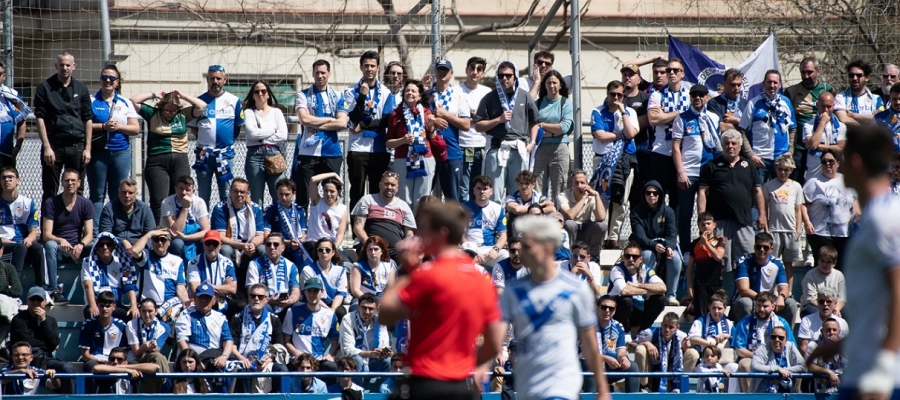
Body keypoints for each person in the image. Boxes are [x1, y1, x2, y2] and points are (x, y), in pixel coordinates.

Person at [801, 124, 899, 400]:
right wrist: (837, 346)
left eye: (842, 158)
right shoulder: (872, 218)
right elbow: (875, 304)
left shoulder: (885, 219)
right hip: (862, 369)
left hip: (880, 379)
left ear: (855, 162)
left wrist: (883, 368)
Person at [380, 200, 504, 400]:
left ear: (442, 233)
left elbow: (385, 314)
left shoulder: (428, 274)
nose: (418, 234)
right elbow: (494, 342)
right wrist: (466, 365)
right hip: (459, 386)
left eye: (425, 228)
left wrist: (405, 271)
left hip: (424, 384)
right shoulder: (481, 279)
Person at [496, 215, 609, 400]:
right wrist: (481, 365)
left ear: (547, 247)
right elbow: (496, 337)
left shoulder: (576, 289)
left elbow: (590, 345)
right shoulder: (513, 291)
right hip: (528, 388)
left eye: (527, 247)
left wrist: (602, 388)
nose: (521, 253)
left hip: (561, 385)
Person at [130, 90, 206, 221]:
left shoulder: (183, 114)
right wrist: (153, 95)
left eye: (173, 111)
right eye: (167, 110)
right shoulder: (153, 113)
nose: (170, 114)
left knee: (181, 195)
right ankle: (159, 228)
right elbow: (133, 101)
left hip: (180, 158)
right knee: (159, 199)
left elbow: (202, 106)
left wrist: (183, 96)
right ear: (161, 107)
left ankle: (178, 227)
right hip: (157, 160)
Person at [697, 129, 765, 273]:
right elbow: (702, 191)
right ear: (722, 146)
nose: (730, 146)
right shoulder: (711, 166)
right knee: (722, 261)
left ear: (740, 146)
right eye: (727, 143)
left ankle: (744, 288)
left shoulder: (749, 166)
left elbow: (757, 191)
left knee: (746, 260)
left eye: (734, 143)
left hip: (743, 220)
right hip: (720, 221)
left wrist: (762, 214)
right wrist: (702, 217)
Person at [338, 51, 397, 212]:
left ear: (378, 68)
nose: (369, 69)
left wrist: (363, 125)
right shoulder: (351, 91)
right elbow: (353, 117)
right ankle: (356, 226)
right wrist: (362, 96)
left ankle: (374, 224)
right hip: (357, 148)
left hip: (379, 148)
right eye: (366, 66)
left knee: (377, 192)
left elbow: (386, 121)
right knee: (357, 192)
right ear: (361, 67)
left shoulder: (386, 92)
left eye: (372, 66)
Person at [475, 60, 540, 202]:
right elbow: (478, 125)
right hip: (497, 149)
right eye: (501, 76)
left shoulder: (524, 95)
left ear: (515, 76)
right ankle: (496, 217)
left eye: (508, 75)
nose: (504, 79)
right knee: (494, 194)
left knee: (519, 193)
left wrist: (532, 142)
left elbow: (534, 121)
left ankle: (515, 217)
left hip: (519, 149)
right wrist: (499, 120)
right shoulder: (490, 97)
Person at [87, 65, 140, 236]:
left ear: (117, 82)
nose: (108, 81)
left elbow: (135, 128)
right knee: (97, 194)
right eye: (105, 77)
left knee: (119, 194)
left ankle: (117, 232)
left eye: (112, 78)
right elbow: (83, 125)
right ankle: (95, 234)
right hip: (98, 153)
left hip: (120, 153)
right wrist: (103, 126)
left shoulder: (125, 102)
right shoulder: (91, 100)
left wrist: (118, 127)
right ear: (100, 80)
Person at [34, 52, 92, 204]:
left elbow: (87, 119)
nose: (64, 68)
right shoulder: (45, 88)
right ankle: (48, 220)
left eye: (68, 65)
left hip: (77, 146)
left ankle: (76, 220)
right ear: (56, 66)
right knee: (50, 190)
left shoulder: (81, 88)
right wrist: (47, 147)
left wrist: (87, 148)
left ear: (74, 66)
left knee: (77, 190)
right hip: (54, 147)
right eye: (61, 65)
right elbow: (40, 118)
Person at [672, 84, 722, 252]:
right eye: (694, 95)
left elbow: (717, 145)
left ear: (707, 97)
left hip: (708, 172)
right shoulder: (682, 118)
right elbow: (676, 148)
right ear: (690, 97)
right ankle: (686, 249)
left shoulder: (713, 117)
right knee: (685, 213)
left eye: (701, 95)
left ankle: (708, 246)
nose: (698, 98)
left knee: (708, 214)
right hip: (689, 172)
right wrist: (681, 173)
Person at [590, 80, 638, 250]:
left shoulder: (630, 112)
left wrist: (623, 113)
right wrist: (619, 135)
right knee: (602, 198)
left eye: (619, 95)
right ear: (607, 94)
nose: (616, 98)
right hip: (603, 160)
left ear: (623, 96)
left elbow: (631, 133)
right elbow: (600, 135)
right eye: (612, 94)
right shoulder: (598, 111)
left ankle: (613, 237)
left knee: (621, 200)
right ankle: (601, 235)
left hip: (624, 160)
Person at [293, 59, 347, 207]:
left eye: (323, 72)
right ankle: (303, 222)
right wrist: (330, 120)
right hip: (308, 152)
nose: (320, 76)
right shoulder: (303, 95)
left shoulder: (338, 96)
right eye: (317, 72)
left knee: (331, 193)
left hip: (332, 152)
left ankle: (330, 221)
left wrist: (315, 122)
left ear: (329, 73)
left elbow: (342, 123)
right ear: (312, 74)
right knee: (303, 196)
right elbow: (304, 119)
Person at [188, 65, 244, 206]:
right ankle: (204, 220)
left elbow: (237, 127)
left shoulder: (234, 100)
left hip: (225, 155)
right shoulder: (199, 101)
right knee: (203, 194)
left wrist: (225, 142)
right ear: (207, 79)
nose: (215, 81)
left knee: (226, 194)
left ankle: (225, 220)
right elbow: (193, 128)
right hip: (204, 154)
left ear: (225, 80)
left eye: (218, 78)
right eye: (212, 78)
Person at [41, 168, 94, 304]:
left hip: (77, 248)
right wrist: (61, 240)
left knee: (96, 247)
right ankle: (53, 291)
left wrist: (81, 245)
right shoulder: (51, 203)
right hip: (58, 248)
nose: (70, 183)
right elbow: (46, 235)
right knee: (50, 245)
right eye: (67, 180)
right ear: (62, 182)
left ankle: (97, 290)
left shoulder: (86, 204)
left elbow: (89, 234)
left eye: (73, 180)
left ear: (79, 183)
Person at [9, 286, 75, 394]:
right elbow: (27, 342)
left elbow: (54, 343)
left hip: (46, 358)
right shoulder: (18, 319)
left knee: (66, 368)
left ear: (45, 302)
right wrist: (48, 344)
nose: (35, 302)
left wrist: (44, 321)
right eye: (32, 299)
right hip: (25, 358)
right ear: (27, 300)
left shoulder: (51, 321)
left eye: (39, 300)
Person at [229, 283, 289, 394]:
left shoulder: (274, 319)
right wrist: (242, 358)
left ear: (267, 299)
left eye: (260, 297)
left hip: (266, 361)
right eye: (253, 296)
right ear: (249, 297)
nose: (256, 299)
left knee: (282, 370)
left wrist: (268, 360)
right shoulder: (238, 318)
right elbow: (232, 345)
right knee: (244, 370)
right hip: (243, 359)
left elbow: (278, 346)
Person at [731, 292, 797, 393]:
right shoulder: (745, 322)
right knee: (745, 365)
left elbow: (791, 346)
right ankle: (751, 396)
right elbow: (739, 350)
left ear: (773, 306)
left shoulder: (781, 323)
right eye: (758, 305)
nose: (761, 309)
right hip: (751, 357)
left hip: (777, 357)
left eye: (765, 306)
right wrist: (758, 356)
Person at [648, 58, 692, 208]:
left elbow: (694, 119)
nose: (671, 73)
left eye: (675, 70)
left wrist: (665, 116)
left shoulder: (689, 95)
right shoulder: (657, 95)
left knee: (677, 198)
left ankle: (675, 225)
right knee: (657, 196)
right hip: (661, 150)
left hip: (683, 152)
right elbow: (653, 119)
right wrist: (680, 113)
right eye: (669, 70)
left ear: (682, 74)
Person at [740, 70, 798, 183]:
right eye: (769, 82)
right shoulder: (753, 103)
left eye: (775, 82)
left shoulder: (786, 102)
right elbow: (742, 131)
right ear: (763, 83)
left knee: (781, 192)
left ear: (780, 85)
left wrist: (791, 150)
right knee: (759, 191)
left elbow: (793, 128)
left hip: (782, 158)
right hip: (760, 159)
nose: (772, 85)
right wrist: (751, 155)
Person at [784, 57, 835, 184]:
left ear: (818, 71)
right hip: (799, 146)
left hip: (822, 146)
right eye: (803, 72)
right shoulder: (791, 92)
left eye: (809, 72)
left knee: (821, 181)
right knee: (796, 182)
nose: (806, 76)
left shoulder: (828, 90)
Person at [175, 283, 236, 391]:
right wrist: (195, 361)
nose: (203, 300)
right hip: (193, 358)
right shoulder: (186, 315)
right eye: (200, 297)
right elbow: (182, 341)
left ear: (214, 300)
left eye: (207, 298)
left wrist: (224, 357)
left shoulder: (220, 317)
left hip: (214, 359)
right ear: (194, 299)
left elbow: (228, 340)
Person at [803, 149, 858, 267]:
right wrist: (807, 222)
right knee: (823, 268)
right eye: (824, 161)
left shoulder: (848, 180)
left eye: (831, 161)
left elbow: (855, 200)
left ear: (838, 163)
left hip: (845, 232)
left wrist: (858, 215)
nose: (827, 164)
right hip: (820, 233)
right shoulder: (813, 182)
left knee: (842, 267)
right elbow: (803, 203)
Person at [629, 180, 681, 305]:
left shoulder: (668, 211)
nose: (651, 196)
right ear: (644, 194)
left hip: (664, 245)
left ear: (660, 195)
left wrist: (669, 247)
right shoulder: (637, 211)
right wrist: (654, 245)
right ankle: (646, 292)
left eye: (655, 193)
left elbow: (672, 233)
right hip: (645, 246)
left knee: (675, 258)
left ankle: (671, 295)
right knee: (647, 255)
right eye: (648, 193)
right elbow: (639, 235)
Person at [386, 79, 436, 205]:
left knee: (422, 199)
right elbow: (388, 142)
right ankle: (406, 219)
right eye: (407, 90)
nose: (410, 93)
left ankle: (421, 219)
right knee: (404, 198)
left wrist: (431, 127)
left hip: (425, 157)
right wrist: (403, 140)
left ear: (420, 96)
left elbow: (433, 137)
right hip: (403, 159)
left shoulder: (426, 112)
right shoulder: (396, 114)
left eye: (413, 91)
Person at [428, 60, 471, 202]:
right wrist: (434, 120)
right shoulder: (427, 95)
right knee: (424, 195)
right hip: (428, 150)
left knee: (452, 198)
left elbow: (466, 125)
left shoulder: (459, 94)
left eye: (445, 70)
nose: (442, 73)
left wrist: (446, 115)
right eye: (439, 70)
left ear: (451, 73)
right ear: (435, 72)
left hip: (450, 151)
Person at [732, 232, 798, 323]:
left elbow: (784, 288)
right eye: (758, 247)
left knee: (791, 303)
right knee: (745, 302)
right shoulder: (744, 262)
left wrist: (781, 297)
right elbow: (743, 290)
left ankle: (786, 332)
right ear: (754, 247)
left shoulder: (777, 263)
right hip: (750, 300)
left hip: (768, 302)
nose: (762, 250)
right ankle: (746, 331)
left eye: (765, 247)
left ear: (771, 249)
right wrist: (764, 300)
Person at [351, 171, 416, 260]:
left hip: (395, 252)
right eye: (386, 184)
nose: (389, 187)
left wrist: (405, 247)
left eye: (393, 185)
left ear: (397, 188)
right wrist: (369, 244)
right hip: (371, 248)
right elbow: (358, 227)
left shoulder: (403, 206)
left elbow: (409, 233)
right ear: (380, 185)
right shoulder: (367, 200)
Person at [763, 154, 806, 288]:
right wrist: (766, 229)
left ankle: (788, 291)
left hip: (790, 230)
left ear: (791, 170)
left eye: (786, 170)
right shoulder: (769, 185)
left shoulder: (796, 186)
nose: (783, 172)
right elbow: (765, 209)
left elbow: (798, 209)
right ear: (776, 169)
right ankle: (772, 291)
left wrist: (798, 229)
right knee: (772, 263)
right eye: (780, 169)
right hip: (774, 229)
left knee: (788, 263)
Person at [210, 177, 265, 282]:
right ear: (230, 192)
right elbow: (220, 237)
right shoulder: (220, 208)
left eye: (242, 192)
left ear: (248, 193)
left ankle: (259, 284)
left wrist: (252, 245)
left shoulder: (256, 209)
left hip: (249, 244)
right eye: (236, 191)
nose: (239, 194)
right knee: (225, 249)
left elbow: (260, 235)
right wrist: (241, 246)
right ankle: (230, 282)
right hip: (230, 244)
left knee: (262, 249)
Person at [243, 80, 288, 206]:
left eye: (263, 91)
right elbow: (252, 134)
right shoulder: (249, 112)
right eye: (257, 92)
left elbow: (283, 135)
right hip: (254, 157)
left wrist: (262, 139)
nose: (260, 94)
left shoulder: (276, 112)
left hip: (274, 155)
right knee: (256, 198)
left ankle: (279, 219)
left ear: (268, 94)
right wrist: (273, 130)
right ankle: (258, 219)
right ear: (253, 95)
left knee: (280, 195)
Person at [282, 277, 340, 372]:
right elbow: (286, 341)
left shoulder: (330, 315)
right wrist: (297, 354)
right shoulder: (292, 312)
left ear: (322, 292)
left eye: (315, 291)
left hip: (319, 360)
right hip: (298, 359)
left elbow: (335, 342)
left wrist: (329, 355)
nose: (312, 295)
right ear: (304, 292)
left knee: (333, 368)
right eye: (309, 291)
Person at [129, 227, 191, 314]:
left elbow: (180, 287)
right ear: (151, 241)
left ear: (169, 242)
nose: (160, 243)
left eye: (163, 239)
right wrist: (149, 234)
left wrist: (186, 303)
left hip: (169, 308)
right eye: (156, 239)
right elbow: (134, 251)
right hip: (148, 308)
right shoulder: (146, 255)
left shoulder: (177, 261)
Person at [533, 70, 574, 202]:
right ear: (544, 85)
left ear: (560, 85)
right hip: (540, 149)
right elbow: (532, 128)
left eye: (555, 83)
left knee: (560, 187)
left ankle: (559, 213)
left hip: (560, 149)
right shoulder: (538, 104)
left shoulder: (565, 103)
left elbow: (564, 127)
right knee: (538, 186)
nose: (552, 86)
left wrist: (542, 125)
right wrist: (554, 130)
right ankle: (539, 212)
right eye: (549, 83)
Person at [608, 241, 667, 331]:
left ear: (640, 259)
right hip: (619, 313)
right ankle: (625, 332)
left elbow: (663, 288)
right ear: (623, 258)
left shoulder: (645, 269)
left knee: (660, 299)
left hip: (638, 312)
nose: (631, 259)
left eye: (634, 257)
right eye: (627, 256)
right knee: (626, 300)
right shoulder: (617, 269)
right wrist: (650, 291)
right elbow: (624, 291)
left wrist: (637, 285)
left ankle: (642, 331)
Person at [80, 233, 138, 320]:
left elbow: (129, 284)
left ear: (114, 246)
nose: (105, 247)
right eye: (101, 245)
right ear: (96, 247)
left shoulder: (121, 262)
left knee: (133, 315)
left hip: (115, 305)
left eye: (108, 244)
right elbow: (88, 285)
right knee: (93, 313)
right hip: (97, 304)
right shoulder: (88, 262)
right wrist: (93, 306)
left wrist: (134, 306)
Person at [685, 290, 738, 383]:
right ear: (709, 307)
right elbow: (692, 338)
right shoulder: (700, 321)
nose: (716, 311)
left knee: (735, 368)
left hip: (724, 361)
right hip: (705, 361)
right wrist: (709, 343)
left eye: (719, 308)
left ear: (725, 308)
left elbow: (737, 340)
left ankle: (731, 393)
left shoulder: (729, 323)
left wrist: (727, 336)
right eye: (714, 308)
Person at [458, 56, 492, 201]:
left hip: (482, 145)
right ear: (466, 69)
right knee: (463, 189)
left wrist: (473, 117)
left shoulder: (487, 92)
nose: (475, 72)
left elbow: (491, 117)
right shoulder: (456, 91)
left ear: (483, 73)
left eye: (479, 69)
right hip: (462, 144)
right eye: (472, 68)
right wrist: (477, 117)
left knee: (480, 188)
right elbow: (455, 117)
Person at [0, 166, 42, 278]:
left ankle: (43, 285)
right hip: (3, 245)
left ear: (18, 181)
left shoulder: (28, 203)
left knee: (38, 248)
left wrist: (29, 239)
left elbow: (33, 231)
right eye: (3, 178)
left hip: (21, 244)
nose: (7, 180)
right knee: (20, 248)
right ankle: (15, 283)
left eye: (10, 177)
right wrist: (7, 241)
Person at [185, 230, 239, 317]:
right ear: (203, 244)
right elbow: (196, 290)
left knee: (240, 306)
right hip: (203, 301)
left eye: (215, 243)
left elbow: (232, 289)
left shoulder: (227, 263)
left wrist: (206, 286)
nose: (211, 246)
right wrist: (223, 287)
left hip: (222, 300)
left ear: (220, 245)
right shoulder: (193, 263)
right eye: (208, 243)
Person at [683, 212, 726, 317]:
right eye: (703, 224)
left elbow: (718, 256)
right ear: (699, 226)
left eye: (708, 223)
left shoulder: (720, 240)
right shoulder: (695, 243)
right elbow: (690, 267)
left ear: (714, 225)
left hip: (715, 283)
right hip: (700, 284)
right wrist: (689, 286)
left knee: (715, 312)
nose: (706, 226)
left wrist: (706, 243)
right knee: (701, 314)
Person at [594, 294, 640, 393]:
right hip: (590, 367)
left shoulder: (618, 326)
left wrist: (623, 358)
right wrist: (605, 359)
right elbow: (585, 354)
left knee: (632, 367)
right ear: (597, 308)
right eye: (604, 307)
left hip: (609, 367)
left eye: (611, 309)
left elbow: (621, 350)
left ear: (614, 311)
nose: (607, 311)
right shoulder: (588, 326)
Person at [124, 298, 171, 393]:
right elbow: (137, 353)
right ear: (139, 311)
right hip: (135, 360)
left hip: (152, 359)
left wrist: (152, 347)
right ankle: (166, 386)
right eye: (144, 311)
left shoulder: (164, 327)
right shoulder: (131, 324)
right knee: (158, 359)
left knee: (157, 359)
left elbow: (156, 350)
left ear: (156, 311)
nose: (146, 314)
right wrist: (144, 347)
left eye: (150, 311)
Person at [559, 170, 608, 259]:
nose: (579, 186)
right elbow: (570, 216)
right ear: (572, 185)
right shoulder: (563, 196)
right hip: (571, 231)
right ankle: (570, 257)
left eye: (582, 183)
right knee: (570, 224)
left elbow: (601, 217)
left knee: (602, 225)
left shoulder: (591, 196)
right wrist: (583, 198)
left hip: (586, 229)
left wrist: (596, 195)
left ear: (587, 184)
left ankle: (593, 258)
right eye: (576, 183)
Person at [247, 233, 300, 314]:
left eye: (276, 244)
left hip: (286, 304)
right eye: (268, 244)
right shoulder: (254, 264)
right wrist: (268, 300)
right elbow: (251, 291)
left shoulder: (291, 266)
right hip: (265, 302)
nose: (272, 247)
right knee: (264, 307)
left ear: (283, 247)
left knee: (298, 306)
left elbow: (296, 290)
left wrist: (290, 301)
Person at [634, 312, 688, 393]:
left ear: (677, 328)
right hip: (650, 368)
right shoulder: (650, 333)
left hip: (670, 370)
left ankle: (677, 385)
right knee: (640, 349)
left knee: (692, 353)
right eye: (665, 326)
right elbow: (630, 346)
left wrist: (685, 348)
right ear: (661, 324)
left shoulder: (681, 336)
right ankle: (644, 386)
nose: (667, 330)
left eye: (671, 327)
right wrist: (646, 343)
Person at [161, 175, 210, 261]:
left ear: (193, 191)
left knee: (206, 241)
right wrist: (185, 207)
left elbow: (206, 230)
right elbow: (175, 231)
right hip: (174, 238)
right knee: (177, 243)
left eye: (187, 190)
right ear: (175, 189)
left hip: (193, 236)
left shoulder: (199, 202)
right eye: (181, 189)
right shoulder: (167, 202)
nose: (184, 193)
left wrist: (186, 237)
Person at [463, 175, 509, 267]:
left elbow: (503, 235)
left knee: (505, 255)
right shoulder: (463, 208)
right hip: (469, 249)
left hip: (489, 251)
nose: (482, 191)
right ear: (474, 190)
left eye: (485, 189)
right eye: (479, 188)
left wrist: (496, 249)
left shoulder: (498, 209)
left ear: (491, 191)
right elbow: (460, 236)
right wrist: (474, 251)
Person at [79, 291, 128, 375]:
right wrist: (101, 361)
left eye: (108, 306)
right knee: (91, 365)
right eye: (101, 306)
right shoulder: (88, 324)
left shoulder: (121, 326)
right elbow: (85, 355)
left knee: (133, 364)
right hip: (95, 360)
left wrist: (113, 361)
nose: (104, 309)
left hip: (115, 360)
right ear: (97, 306)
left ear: (114, 307)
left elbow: (123, 352)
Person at [339, 292, 391, 372]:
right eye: (364, 308)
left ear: (377, 310)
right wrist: (369, 354)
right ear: (358, 307)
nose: (367, 312)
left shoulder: (380, 321)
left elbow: (384, 345)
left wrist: (383, 352)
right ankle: (357, 381)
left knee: (387, 361)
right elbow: (347, 349)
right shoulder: (348, 319)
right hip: (352, 360)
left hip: (373, 359)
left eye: (371, 309)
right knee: (358, 360)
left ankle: (383, 381)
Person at [99, 179, 156, 250]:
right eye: (124, 192)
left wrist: (140, 247)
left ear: (136, 194)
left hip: (140, 248)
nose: (127, 196)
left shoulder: (145, 209)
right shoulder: (109, 209)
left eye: (130, 193)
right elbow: (105, 234)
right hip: (115, 247)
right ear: (118, 192)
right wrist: (122, 241)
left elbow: (151, 234)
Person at [803, 92, 847, 180]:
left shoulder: (841, 126)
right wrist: (822, 122)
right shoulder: (808, 125)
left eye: (829, 106)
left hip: (833, 171)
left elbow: (840, 148)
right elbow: (813, 145)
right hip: (814, 172)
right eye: (823, 106)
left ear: (833, 106)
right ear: (817, 105)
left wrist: (820, 146)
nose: (826, 110)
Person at [299, 238, 346, 319]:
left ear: (333, 252)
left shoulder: (340, 271)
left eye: (327, 250)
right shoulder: (308, 270)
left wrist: (333, 309)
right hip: (312, 302)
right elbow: (307, 293)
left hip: (333, 304)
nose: (324, 252)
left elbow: (340, 293)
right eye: (321, 250)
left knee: (341, 313)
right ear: (317, 252)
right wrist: (327, 309)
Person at [263, 178, 307, 264]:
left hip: (297, 246)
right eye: (281, 194)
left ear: (294, 193)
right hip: (279, 246)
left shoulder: (299, 210)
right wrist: (287, 243)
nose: (283, 198)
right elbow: (266, 236)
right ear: (277, 193)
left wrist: (300, 241)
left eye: (287, 194)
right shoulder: (270, 210)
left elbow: (303, 233)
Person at [751, 326, 807, 393]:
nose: (777, 340)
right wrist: (777, 369)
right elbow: (754, 366)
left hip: (788, 394)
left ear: (786, 340)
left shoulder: (791, 346)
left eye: (781, 338)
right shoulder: (763, 348)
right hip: (765, 394)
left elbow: (804, 366)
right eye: (773, 337)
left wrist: (784, 371)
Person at [797, 287, 848, 355]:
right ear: (817, 303)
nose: (825, 304)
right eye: (821, 301)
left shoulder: (842, 323)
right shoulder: (807, 321)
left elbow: (847, 348)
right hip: (814, 358)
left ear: (835, 303)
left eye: (828, 302)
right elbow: (803, 347)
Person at [504, 170, 555, 238]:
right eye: (521, 183)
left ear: (533, 185)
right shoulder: (511, 197)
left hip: (535, 226)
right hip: (519, 227)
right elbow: (517, 210)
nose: (524, 186)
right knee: (509, 216)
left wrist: (530, 210)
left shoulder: (539, 197)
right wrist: (537, 207)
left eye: (527, 183)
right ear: (518, 184)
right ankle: (514, 242)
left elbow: (552, 209)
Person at [90, 346, 161, 394]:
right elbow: (96, 368)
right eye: (112, 359)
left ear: (126, 361)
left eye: (119, 359)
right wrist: (126, 370)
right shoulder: (105, 372)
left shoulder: (132, 370)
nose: (115, 362)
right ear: (108, 360)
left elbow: (155, 367)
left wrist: (124, 367)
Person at [800, 245, 846, 317]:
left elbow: (842, 298)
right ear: (818, 261)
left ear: (834, 263)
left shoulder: (839, 275)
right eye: (822, 261)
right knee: (812, 311)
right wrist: (827, 309)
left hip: (833, 306)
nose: (824, 265)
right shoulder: (810, 276)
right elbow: (811, 300)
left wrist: (836, 309)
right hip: (814, 306)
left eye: (828, 262)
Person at [835, 59, 884, 126]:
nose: (855, 78)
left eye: (859, 75)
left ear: (866, 78)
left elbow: (880, 119)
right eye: (851, 75)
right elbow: (843, 119)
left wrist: (853, 115)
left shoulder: (876, 99)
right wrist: (869, 122)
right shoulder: (840, 97)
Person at [0, 62, 30, 168]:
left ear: (4, 76)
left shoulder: (12, 96)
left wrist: (18, 146)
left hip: (5, 152)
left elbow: (22, 120)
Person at [306, 172, 349, 247]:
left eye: (332, 191)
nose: (328, 194)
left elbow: (340, 234)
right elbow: (313, 180)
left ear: (338, 192)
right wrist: (334, 174)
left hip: (331, 245)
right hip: (314, 243)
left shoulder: (342, 209)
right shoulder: (317, 202)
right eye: (326, 190)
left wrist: (336, 246)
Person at [804, 318, 846, 394]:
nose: (831, 333)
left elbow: (853, 362)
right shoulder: (814, 346)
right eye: (828, 330)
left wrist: (840, 348)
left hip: (842, 391)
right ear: (822, 331)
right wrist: (829, 372)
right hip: (821, 391)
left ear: (839, 331)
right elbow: (809, 366)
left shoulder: (846, 346)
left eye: (834, 330)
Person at [349, 235, 396, 300]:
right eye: (370, 249)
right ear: (366, 251)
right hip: (362, 299)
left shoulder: (389, 267)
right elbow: (355, 290)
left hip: (382, 300)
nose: (373, 253)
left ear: (382, 251)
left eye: (376, 249)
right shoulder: (358, 266)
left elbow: (390, 290)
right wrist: (368, 301)